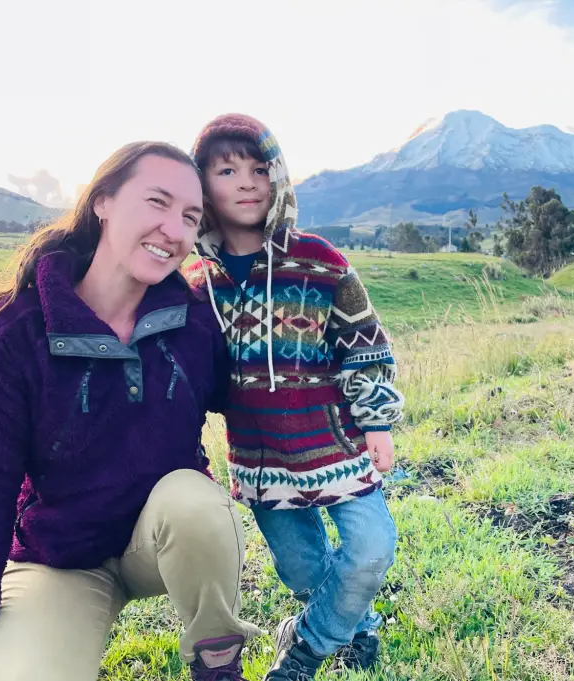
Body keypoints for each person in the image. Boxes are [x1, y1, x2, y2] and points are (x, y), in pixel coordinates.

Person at [0, 141, 261, 681]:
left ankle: (216, 660)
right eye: (157, 202)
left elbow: (259, 400)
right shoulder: (13, 335)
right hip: (60, 559)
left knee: (197, 503)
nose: (174, 230)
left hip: (161, 540)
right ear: (103, 201)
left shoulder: (195, 322)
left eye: (190, 217)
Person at [184, 114, 404, 681]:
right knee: (303, 571)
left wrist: (377, 423)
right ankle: (357, 626)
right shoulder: (194, 285)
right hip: (261, 458)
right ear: (202, 183)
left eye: (261, 168)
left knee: (373, 547)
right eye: (227, 169)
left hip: (337, 441)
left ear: (279, 178)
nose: (248, 181)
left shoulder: (320, 261)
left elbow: (366, 347)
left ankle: (303, 649)